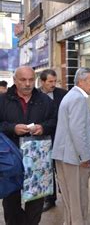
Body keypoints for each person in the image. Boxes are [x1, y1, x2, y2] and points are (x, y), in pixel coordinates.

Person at [0, 66, 57, 225]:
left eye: (31, 80)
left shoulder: (45, 100)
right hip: (10, 158)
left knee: (36, 202)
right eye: (23, 80)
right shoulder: (3, 100)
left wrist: (43, 127)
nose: (27, 84)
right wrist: (12, 128)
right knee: (11, 202)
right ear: (15, 80)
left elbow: (54, 121)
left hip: (37, 159)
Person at [51, 68, 90, 225]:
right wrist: (84, 157)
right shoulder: (77, 98)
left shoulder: (71, 96)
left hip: (67, 156)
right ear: (81, 81)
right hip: (72, 158)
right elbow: (77, 131)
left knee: (71, 198)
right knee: (77, 198)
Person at [38, 69, 68, 212]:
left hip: (60, 137)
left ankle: (66, 196)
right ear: (42, 82)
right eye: (50, 81)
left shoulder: (63, 94)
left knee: (61, 168)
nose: (53, 84)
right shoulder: (35, 95)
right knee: (46, 168)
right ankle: (50, 199)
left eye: (55, 81)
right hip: (42, 138)